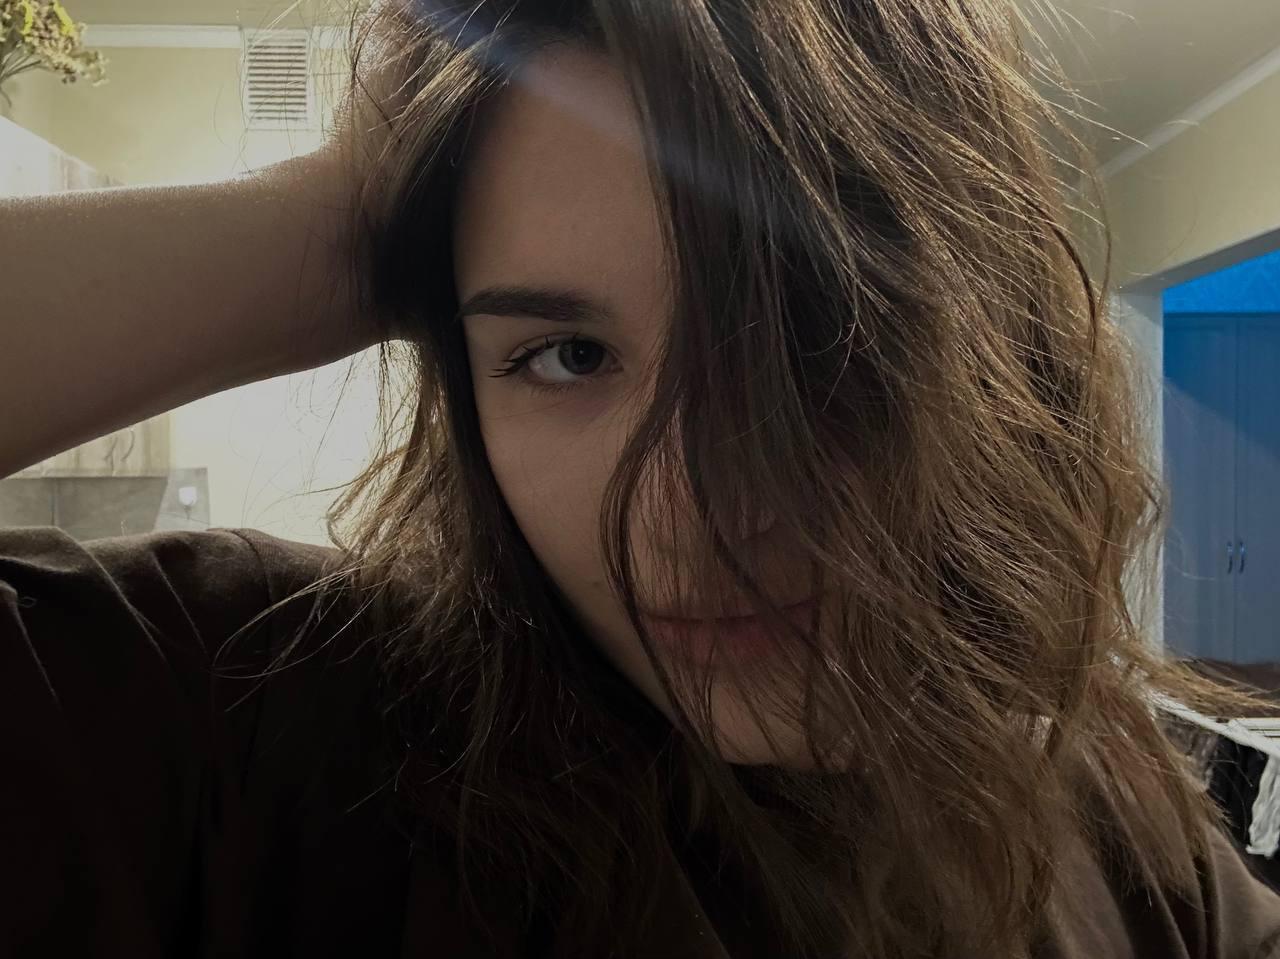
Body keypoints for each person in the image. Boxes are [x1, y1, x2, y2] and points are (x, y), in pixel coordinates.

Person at [2, 1, 1279, 956]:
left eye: (811, 336)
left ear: (990, 347)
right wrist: (330, 227)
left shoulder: (1109, 816)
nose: (692, 515)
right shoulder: (259, 725)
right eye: (563, 354)